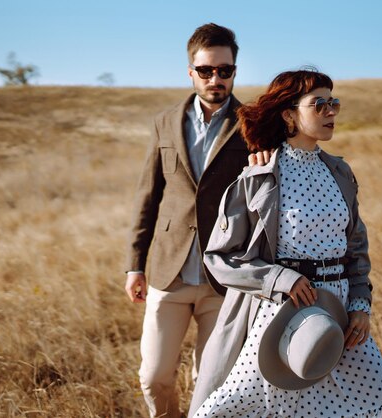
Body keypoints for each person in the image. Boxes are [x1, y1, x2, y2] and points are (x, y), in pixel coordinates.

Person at [188, 69, 382, 417]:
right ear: (289, 114)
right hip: (281, 313)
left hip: (340, 317)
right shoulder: (258, 176)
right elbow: (220, 257)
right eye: (319, 104)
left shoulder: (340, 172)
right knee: (235, 408)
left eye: (334, 103)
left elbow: (355, 249)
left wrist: (360, 305)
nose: (331, 112)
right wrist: (280, 279)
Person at [124, 23, 250, 418]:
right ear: (191, 71)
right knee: (154, 376)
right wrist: (134, 265)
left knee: (210, 381)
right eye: (207, 70)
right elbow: (148, 196)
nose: (216, 79)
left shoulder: (252, 124)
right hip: (169, 271)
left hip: (225, 276)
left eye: (225, 70)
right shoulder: (165, 122)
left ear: (233, 70)